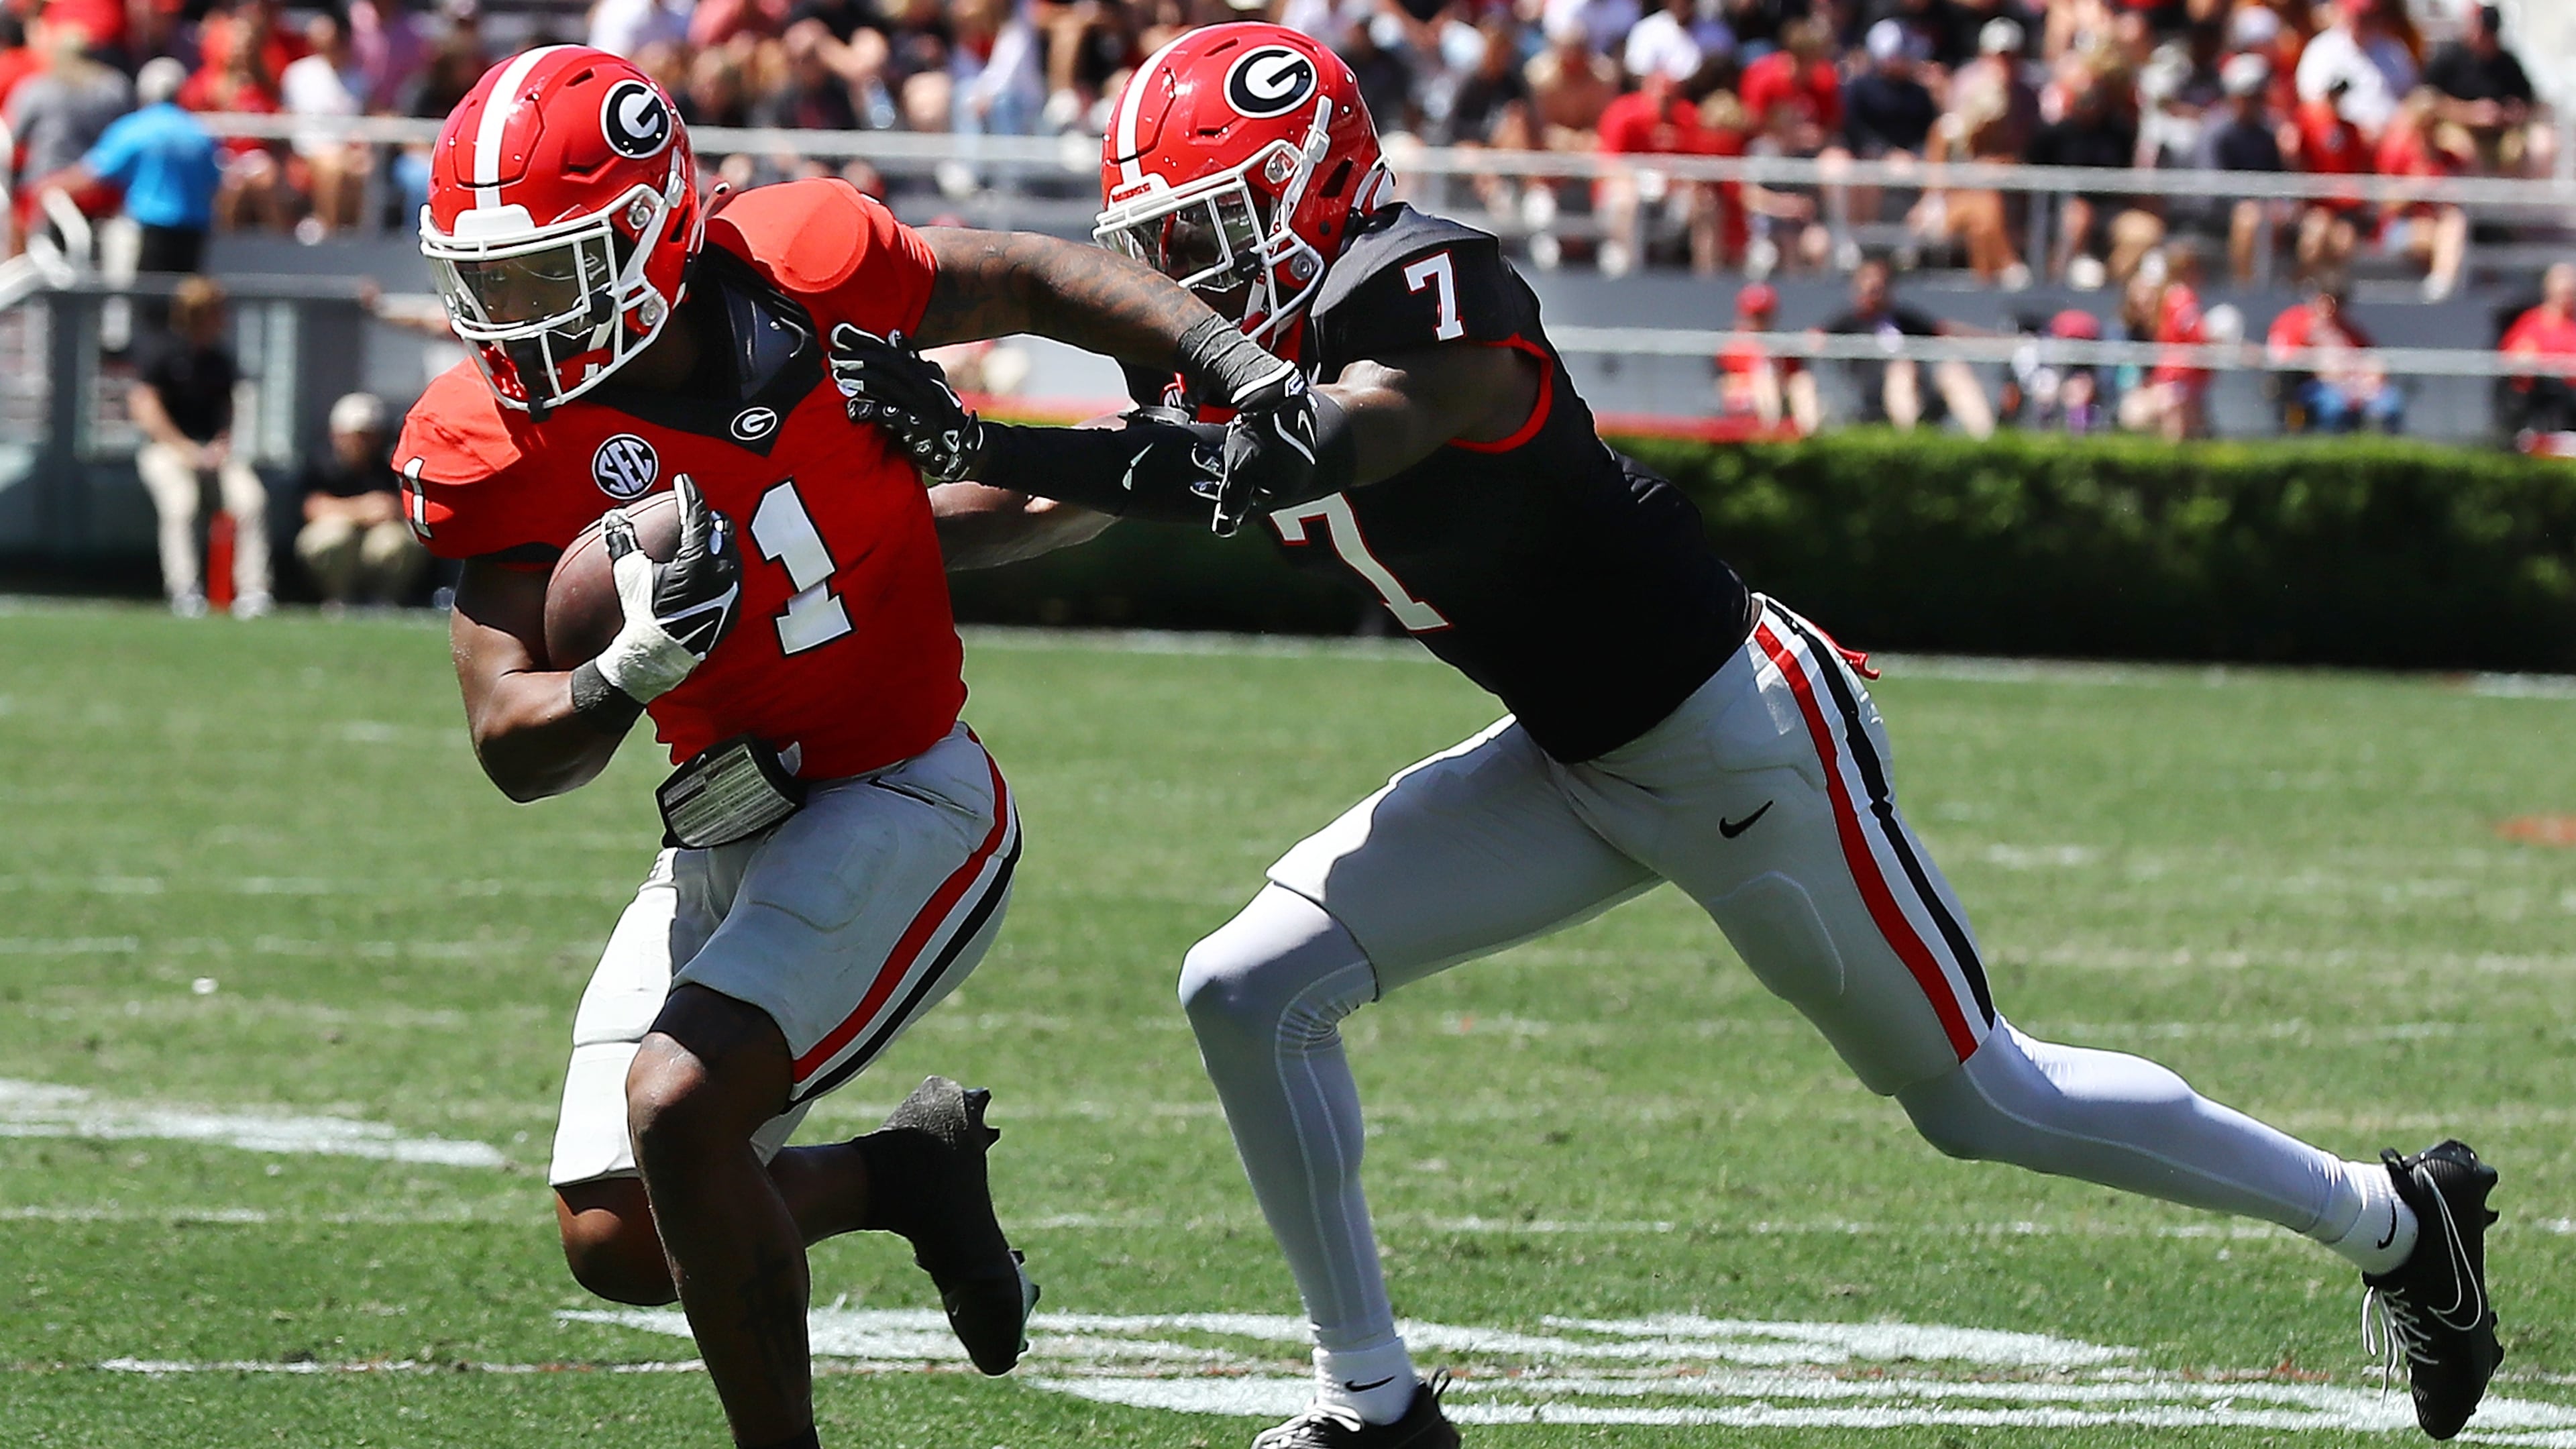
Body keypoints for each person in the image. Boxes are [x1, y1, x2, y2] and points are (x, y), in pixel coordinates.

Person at [839, 22, 2504, 1449]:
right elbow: (1055, 504)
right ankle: (1374, 1402)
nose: (1178, 278)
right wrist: (854, 517)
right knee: (1243, 985)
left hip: (1734, 741)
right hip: (1565, 755)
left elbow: (1302, 456)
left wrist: (985, 427)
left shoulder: (1431, 288)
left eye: (1205, 231)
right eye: (1161, 240)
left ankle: (2390, 1217)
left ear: (1307, 191)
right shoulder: (1254, 351)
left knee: (1975, 1096)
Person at [392, 46, 1322, 1449]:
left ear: (648, 236)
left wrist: (1226, 370)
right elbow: (512, 744)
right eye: (486, 284)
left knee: (681, 1106)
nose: (504, 321)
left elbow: (1026, 273)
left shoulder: (807, 258)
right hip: (726, 815)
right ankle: (905, 1178)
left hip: (906, 793)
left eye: (537, 277)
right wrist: (621, 675)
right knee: (618, 1235)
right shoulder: (491, 434)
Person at [130, 276, 272, 620]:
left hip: (213, 452)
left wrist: (221, 446)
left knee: (250, 499)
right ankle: (185, 591)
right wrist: (184, 449)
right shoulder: (162, 351)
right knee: (181, 505)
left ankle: (254, 592)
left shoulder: (219, 359)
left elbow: (229, 411)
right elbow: (145, 408)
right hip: (167, 449)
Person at [27, 56, 219, 276]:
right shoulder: (198, 133)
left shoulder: (136, 129)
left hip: (151, 229)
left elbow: (94, 172)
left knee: (148, 300)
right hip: (195, 232)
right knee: (181, 301)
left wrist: (49, 186)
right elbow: (214, 182)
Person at [1819, 256, 1994, 436]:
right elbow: (1816, 340)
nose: (1876, 285)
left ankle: (1987, 441)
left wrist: (1996, 340)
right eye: (1868, 279)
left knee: (1954, 371)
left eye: (1882, 280)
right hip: (1874, 397)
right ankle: (1908, 440)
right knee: (1901, 370)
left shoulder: (1904, 319)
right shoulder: (1847, 322)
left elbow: (1944, 332)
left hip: (1922, 392)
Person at [295, 392, 428, 605]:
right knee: (331, 540)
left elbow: (401, 504)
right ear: (339, 434)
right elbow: (313, 507)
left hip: (377, 535)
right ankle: (339, 599)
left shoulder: (387, 463)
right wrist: (362, 510)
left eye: (373, 434)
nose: (368, 441)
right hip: (340, 534)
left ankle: (382, 601)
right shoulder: (321, 462)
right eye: (361, 434)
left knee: (397, 543)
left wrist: (390, 508)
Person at [2266, 277, 2402, 433]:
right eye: (2328, 300)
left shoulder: (2348, 330)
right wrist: (2317, 362)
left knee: (2391, 402)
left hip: (2356, 387)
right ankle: (2330, 453)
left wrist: (2372, 371)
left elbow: (2370, 357)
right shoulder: (2294, 321)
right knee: (2334, 405)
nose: (2332, 307)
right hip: (2311, 385)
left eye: (2339, 301)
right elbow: (2280, 357)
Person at [2500, 262, 2576, 436]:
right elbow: (2517, 356)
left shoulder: (2573, 326)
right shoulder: (2531, 322)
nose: (2568, 298)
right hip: (2538, 397)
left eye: (2571, 293)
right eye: (2564, 293)